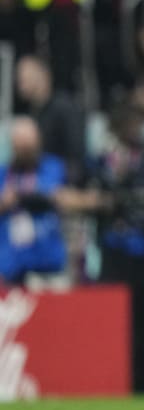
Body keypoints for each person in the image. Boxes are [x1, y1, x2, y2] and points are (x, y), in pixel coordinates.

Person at [86, 103, 144, 392]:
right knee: (117, 321)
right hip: (116, 250)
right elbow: (93, 197)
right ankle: (117, 379)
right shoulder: (103, 160)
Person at [0, 118, 67, 285]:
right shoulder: (4, 174)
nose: (25, 151)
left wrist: (23, 196)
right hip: (11, 268)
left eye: (29, 145)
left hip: (49, 266)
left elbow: (61, 196)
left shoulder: (53, 167)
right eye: (20, 145)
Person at [15, 56, 87, 185]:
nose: (20, 83)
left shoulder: (64, 107)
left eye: (24, 78)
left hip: (61, 185)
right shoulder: (33, 113)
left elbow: (76, 157)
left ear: (42, 76)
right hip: (37, 181)